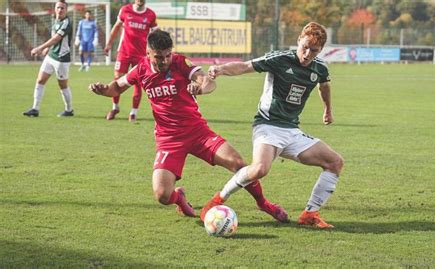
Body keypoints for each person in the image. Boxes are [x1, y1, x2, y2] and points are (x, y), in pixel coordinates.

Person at [89, 29, 289, 222]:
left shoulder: (179, 62)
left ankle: (263, 204)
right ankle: (179, 198)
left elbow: (207, 81)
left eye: (168, 55)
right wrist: (103, 90)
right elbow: (116, 87)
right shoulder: (140, 69)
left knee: (239, 164)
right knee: (162, 195)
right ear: (148, 53)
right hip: (168, 140)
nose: (165, 60)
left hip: (198, 133)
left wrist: (200, 88)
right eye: (159, 57)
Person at [200, 22, 344, 228]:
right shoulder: (280, 59)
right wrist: (220, 69)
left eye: (313, 50)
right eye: (304, 47)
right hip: (267, 126)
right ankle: (217, 200)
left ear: (321, 50)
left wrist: (327, 110)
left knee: (335, 163)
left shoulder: (320, 67)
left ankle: (310, 214)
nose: (307, 54)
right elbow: (245, 66)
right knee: (259, 169)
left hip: (293, 131)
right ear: (298, 41)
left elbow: (324, 86)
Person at [103, 0, 157, 122]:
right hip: (124, 52)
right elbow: (116, 27)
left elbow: (155, 34)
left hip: (141, 55)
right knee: (117, 79)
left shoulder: (150, 15)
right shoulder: (125, 10)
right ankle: (115, 108)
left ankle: (133, 112)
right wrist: (109, 44)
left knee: (138, 82)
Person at [23, 0, 74, 118]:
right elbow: (54, 39)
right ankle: (35, 109)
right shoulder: (56, 21)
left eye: (62, 8)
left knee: (63, 85)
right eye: (58, 8)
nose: (60, 10)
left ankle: (69, 110)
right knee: (40, 80)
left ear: (66, 10)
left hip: (61, 59)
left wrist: (40, 48)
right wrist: (48, 49)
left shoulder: (67, 23)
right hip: (51, 56)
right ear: (55, 9)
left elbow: (57, 38)